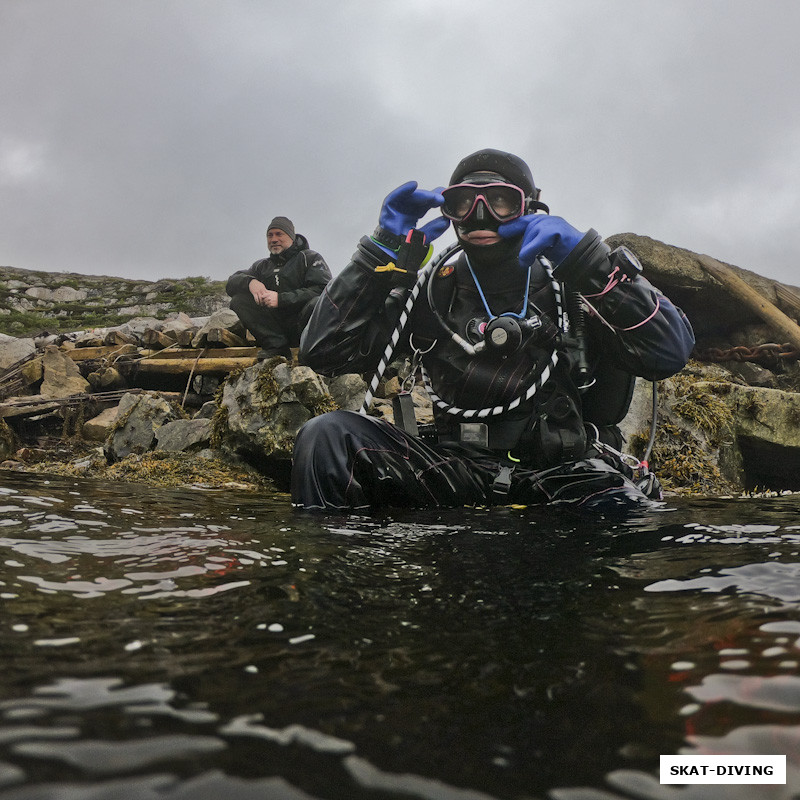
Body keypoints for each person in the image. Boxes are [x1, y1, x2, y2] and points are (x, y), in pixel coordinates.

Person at [292, 149, 695, 512]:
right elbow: (323, 351)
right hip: (455, 468)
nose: (480, 215)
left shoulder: (575, 286)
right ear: (449, 211)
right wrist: (378, 254)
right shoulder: (431, 291)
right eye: (464, 203)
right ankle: (336, 581)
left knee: (622, 509)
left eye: (500, 200)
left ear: (529, 208)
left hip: (564, 472)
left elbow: (671, 351)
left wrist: (592, 262)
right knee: (326, 435)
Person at [226, 216, 331, 358]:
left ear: (291, 237)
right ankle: (276, 347)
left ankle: (314, 351)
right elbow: (231, 283)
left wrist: (280, 299)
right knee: (239, 300)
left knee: (317, 303)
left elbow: (323, 289)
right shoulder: (261, 266)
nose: (274, 239)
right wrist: (251, 282)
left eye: (279, 234)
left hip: (303, 325)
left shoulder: (310, 258)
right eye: (270, 235)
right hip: (274, 328)